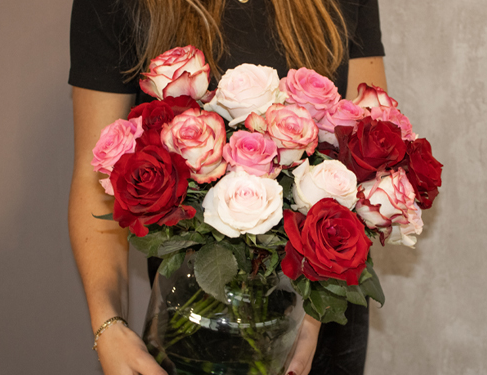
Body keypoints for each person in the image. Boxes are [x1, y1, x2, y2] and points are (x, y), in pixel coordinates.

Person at [68, 0, 387, 374]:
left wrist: (312, 315)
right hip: (194, 329)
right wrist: (109, 327)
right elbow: (96, 180)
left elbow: (368, 156)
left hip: (315, 328)